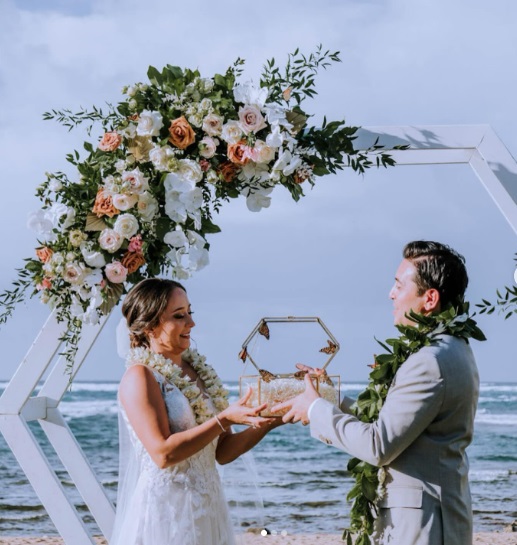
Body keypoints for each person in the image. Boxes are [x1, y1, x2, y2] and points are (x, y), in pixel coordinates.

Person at [273, 241, 480, 545]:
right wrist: (331, 397)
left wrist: (315, 408)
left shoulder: (429, 361)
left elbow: (378, 445)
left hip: (424, 528)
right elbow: (396, 425)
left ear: (429, 298)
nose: (391, 294)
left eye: (399, 285)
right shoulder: (449, 349)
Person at [110, 278, 281, 545]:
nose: (191, 323)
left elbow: (222, 452)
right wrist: (223, 418)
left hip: (209, 508)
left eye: (190, 312)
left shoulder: (198, 372)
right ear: (150, 325)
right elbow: (163, 454)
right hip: (168, 514)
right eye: (179, 316)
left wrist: (270, 420)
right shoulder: (140, 377)